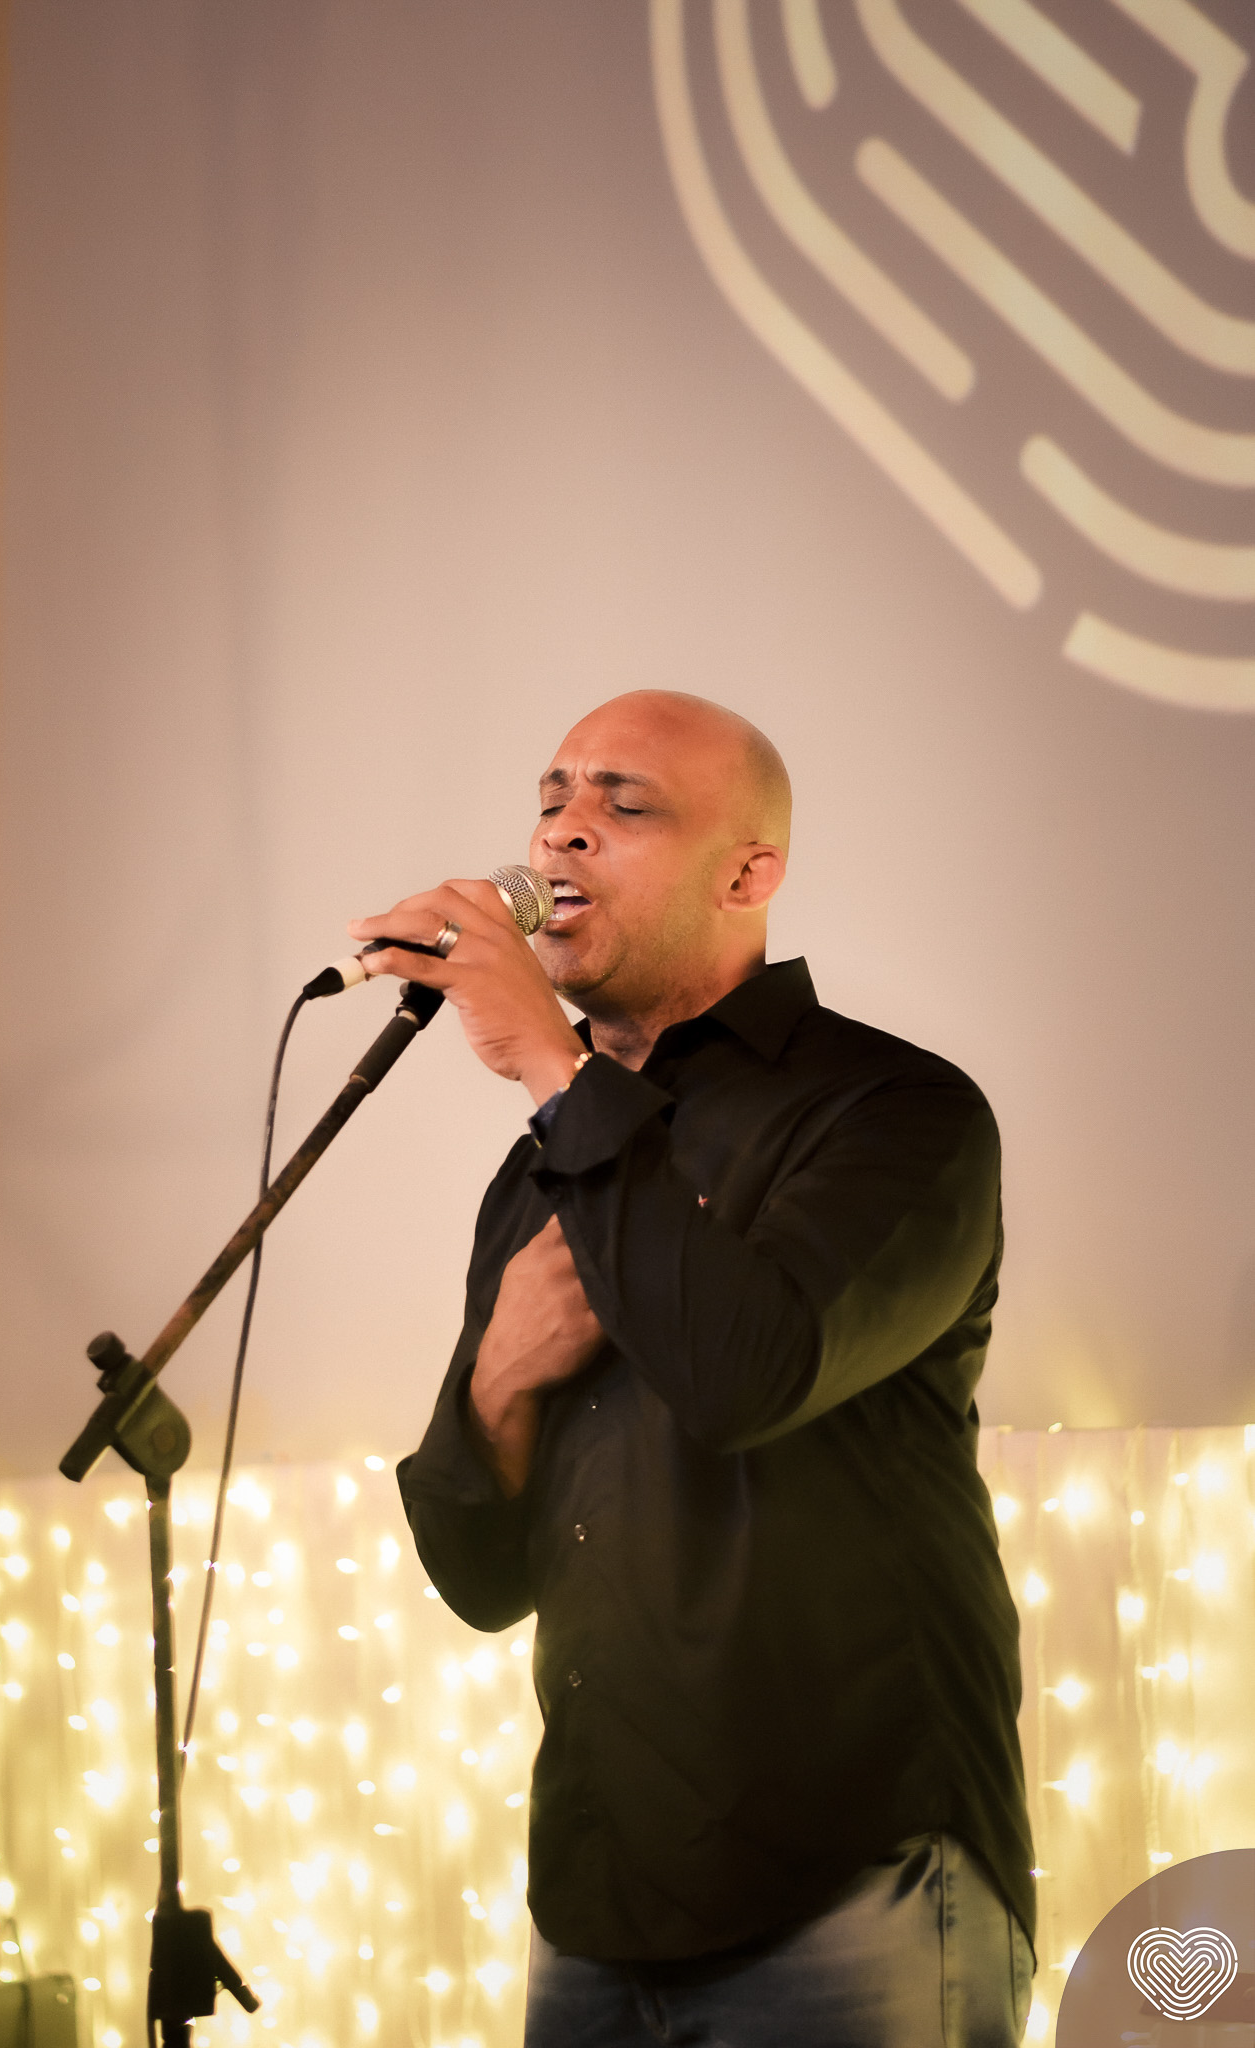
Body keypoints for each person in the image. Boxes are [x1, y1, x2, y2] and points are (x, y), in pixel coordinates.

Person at [349, 690, 1036, 2047]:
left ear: (748, 875)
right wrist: (496, 1381)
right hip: (594, 1900)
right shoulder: (540, 1171)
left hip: (854, 1877)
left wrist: (551, 1067)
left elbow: (746, 1376)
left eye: (625, 803)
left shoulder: (896, 1111)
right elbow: (482, 1579)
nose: (564, 831)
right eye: (551, 799)